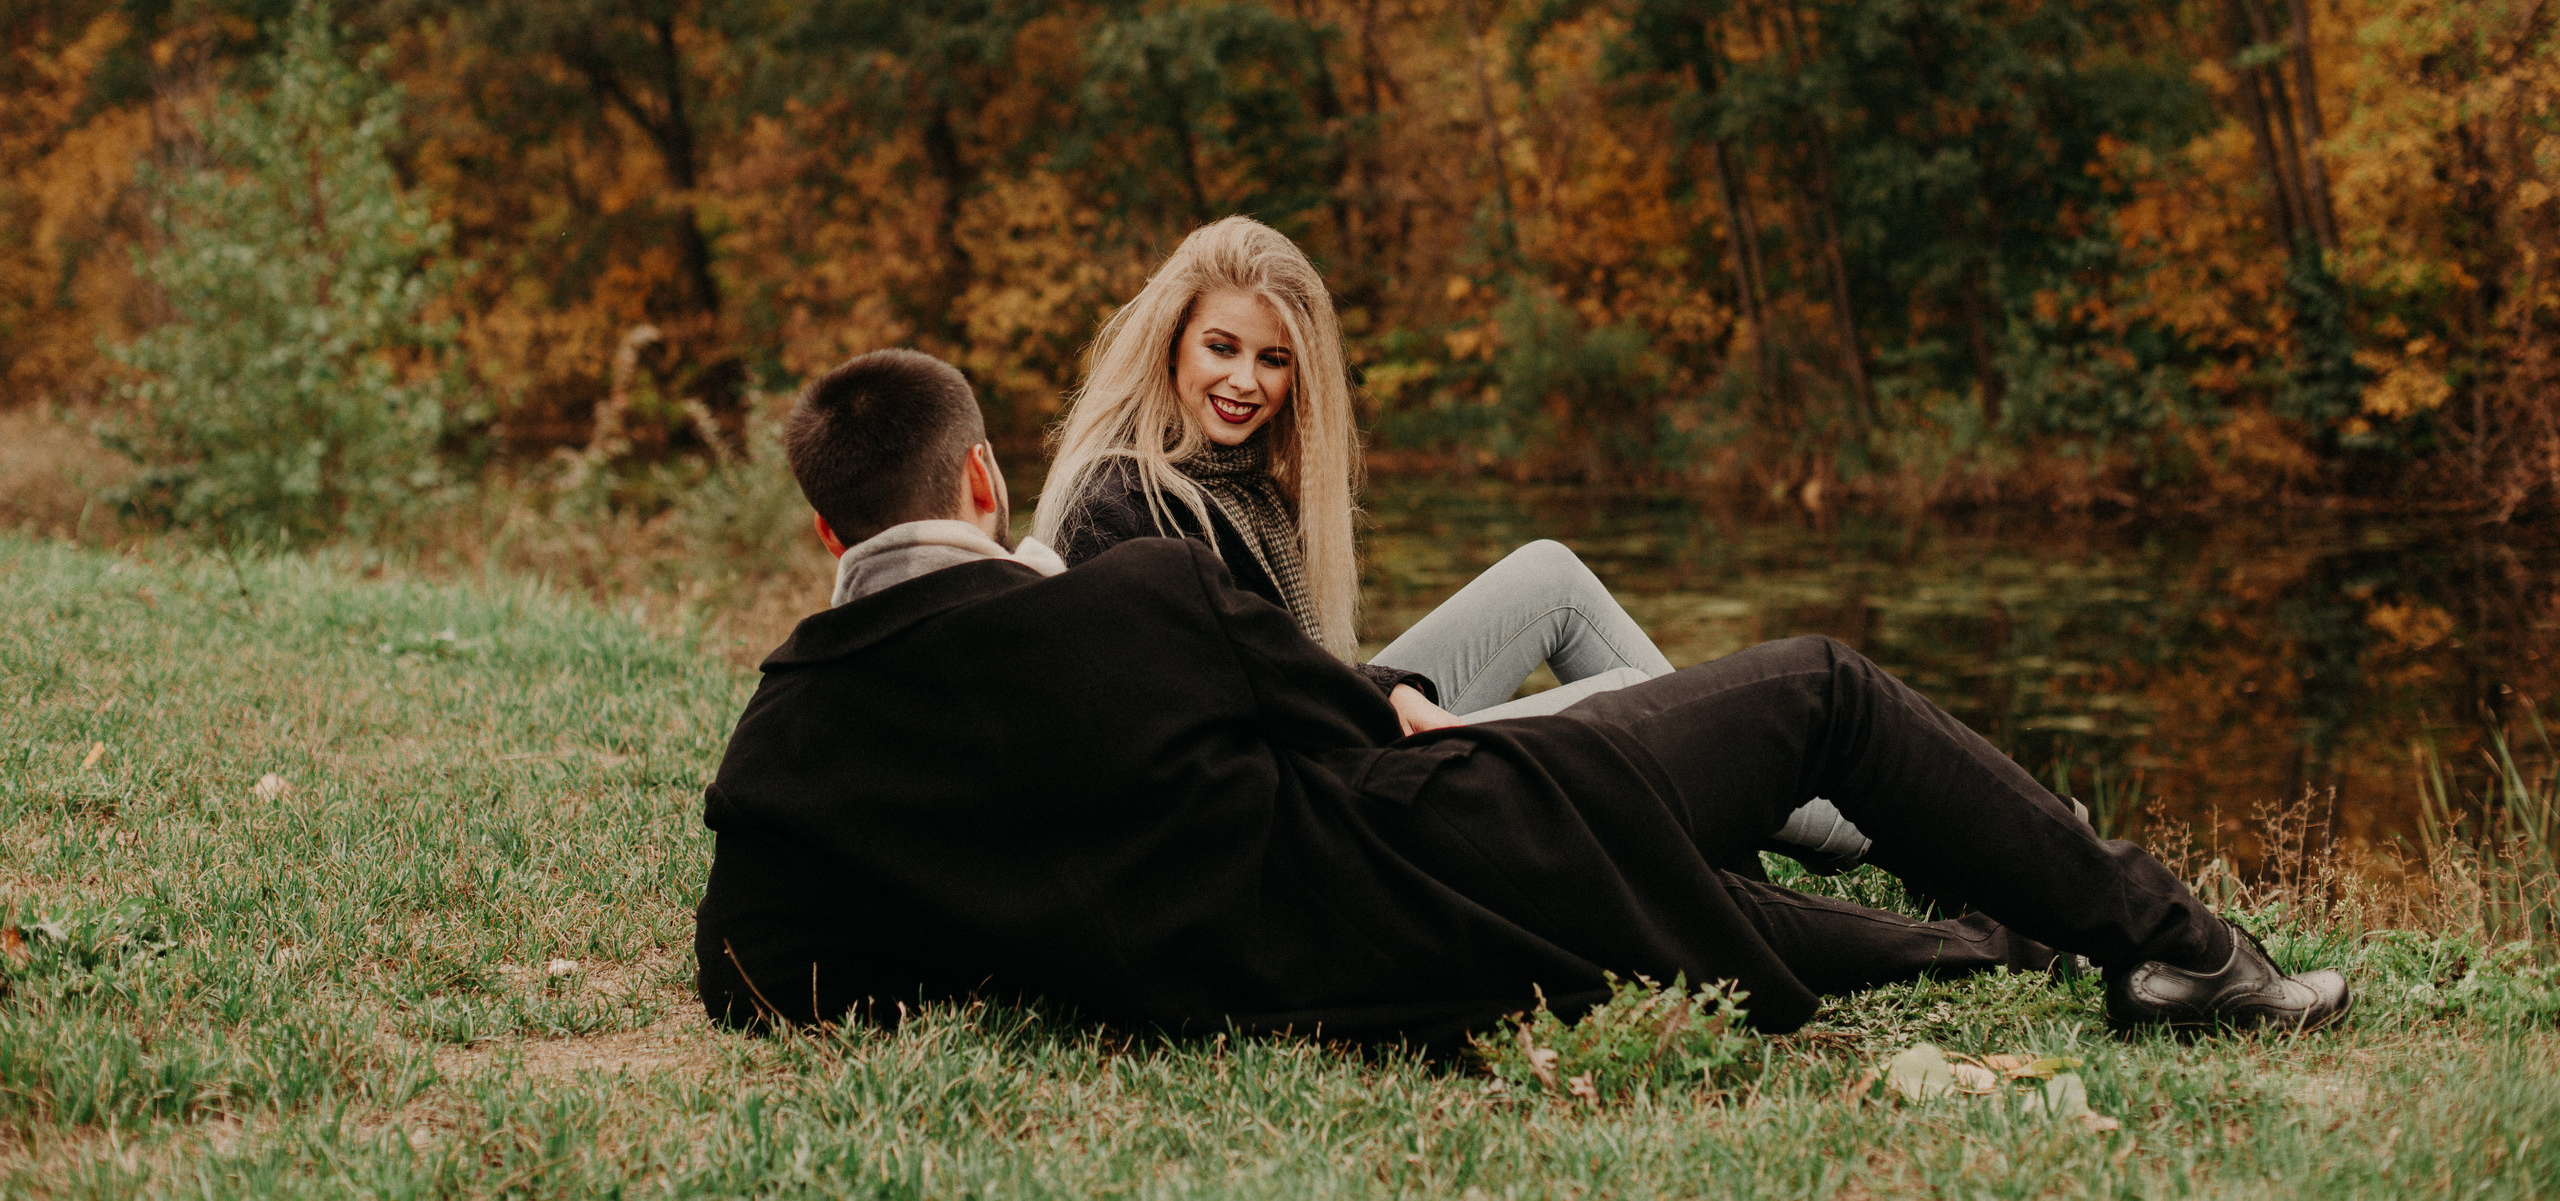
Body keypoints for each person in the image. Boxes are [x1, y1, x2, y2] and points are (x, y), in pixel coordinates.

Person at [693, 349, 2351, 1050]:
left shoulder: (786, 748)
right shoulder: (1143, 596)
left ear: (827, 530)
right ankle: (2173, 944)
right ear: (985, 476)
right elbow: (1368, 728)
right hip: (1463, 872)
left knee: (1816, 925)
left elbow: (755, 981)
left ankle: (2014, 926)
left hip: (1414, 962)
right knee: (1822, 686)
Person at [1033, 216, 1869, 868]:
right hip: (1297, 808)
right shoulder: (1121, 503)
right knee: (1625, 702)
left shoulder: (1242, 480)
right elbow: (1232, 705)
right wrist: (1387, 699)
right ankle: (1860, 825)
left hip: (1329, 744)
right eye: (1222, 347)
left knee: (1550, 573)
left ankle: (1817, 807)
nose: (1245, 380)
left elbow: (1285, 664)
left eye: (1274, 358)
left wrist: (1381, 691)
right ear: (1172, 339)